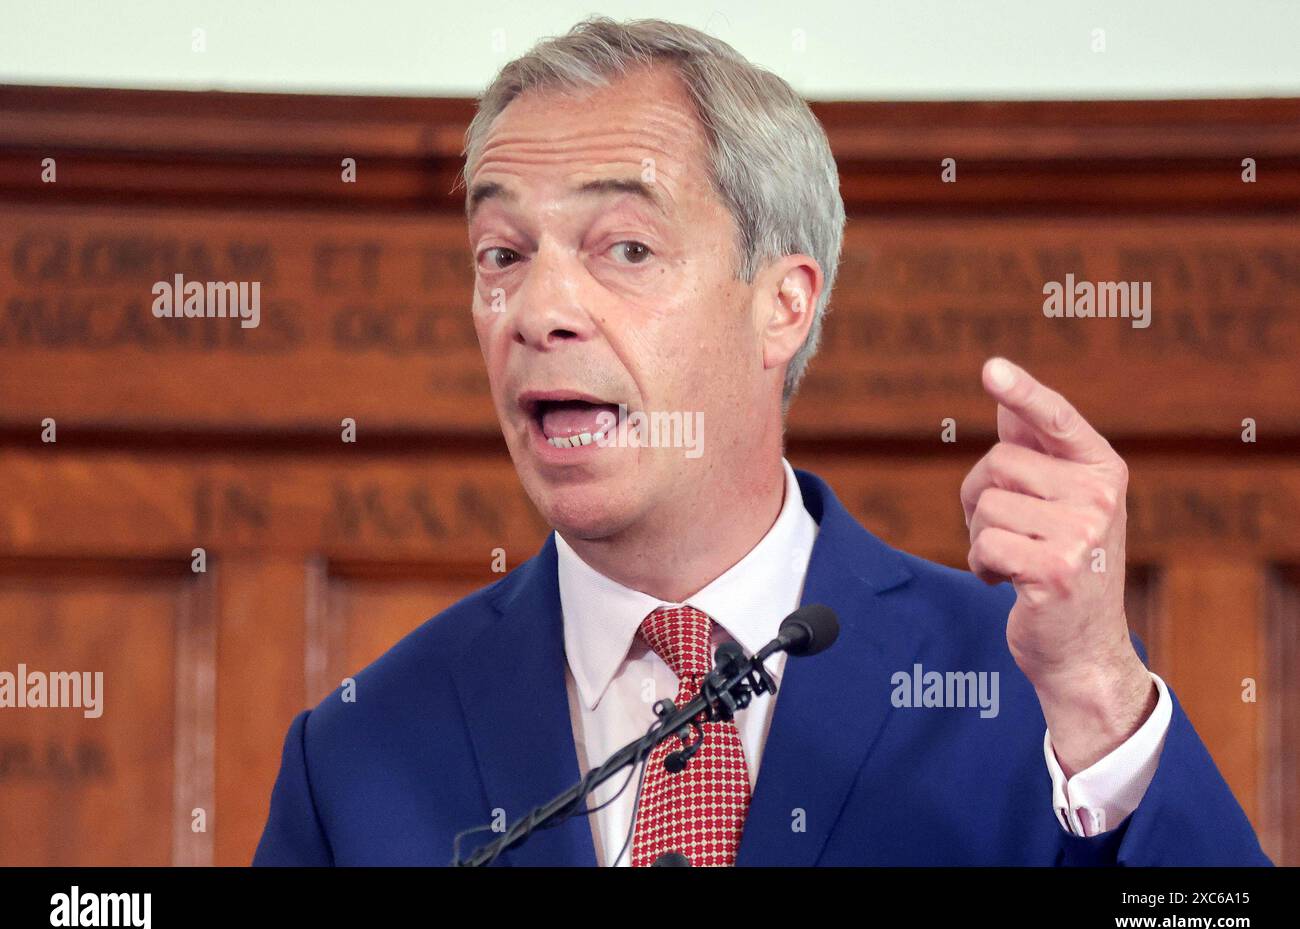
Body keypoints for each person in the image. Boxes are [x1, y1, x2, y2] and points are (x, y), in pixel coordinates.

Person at [253, 17, 1269, 866]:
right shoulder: (356, 751)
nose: (539, 308)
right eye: (502, 254)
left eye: (627, 247)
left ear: (782, 304)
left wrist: (1097, 693)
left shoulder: (1021, 688)